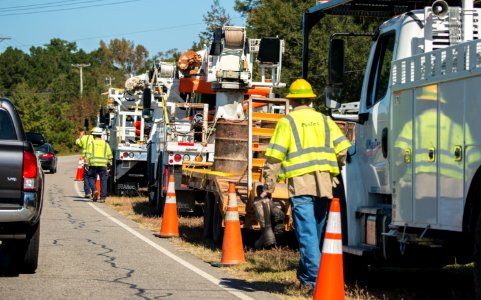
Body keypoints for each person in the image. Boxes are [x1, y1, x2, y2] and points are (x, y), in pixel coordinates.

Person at [261, 78, 351, 292]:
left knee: (307, 234)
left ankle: (315, 281)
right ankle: (305, 277)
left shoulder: (287, 122)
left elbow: (274, 157)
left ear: (291, 101)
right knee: (315, 233)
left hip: (301, 184)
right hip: (325, 184)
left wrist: (268, 186)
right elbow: (342, 150)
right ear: (311, 100)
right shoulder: (325, 120)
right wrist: (334, 169)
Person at [85, 127, 113, 203]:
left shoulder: (91, 144)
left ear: (94, 135)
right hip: (103, 165)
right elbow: (110, 156)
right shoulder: (106, 144)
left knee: (90, 177)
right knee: (103, 180)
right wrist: (110, 165)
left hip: (93, 164)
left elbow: (88, 155)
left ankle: (94, 190)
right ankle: (102, 198)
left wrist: (86, 164)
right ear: (100, 135)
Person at [76, 128, 94, 198]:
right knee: (93, 176)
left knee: (86, 176)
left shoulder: (84, 138)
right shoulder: (95, 139)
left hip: (86, 159)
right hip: (94, 159)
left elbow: (77, 142)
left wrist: (80, 136)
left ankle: (87, 192)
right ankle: (94, 190)